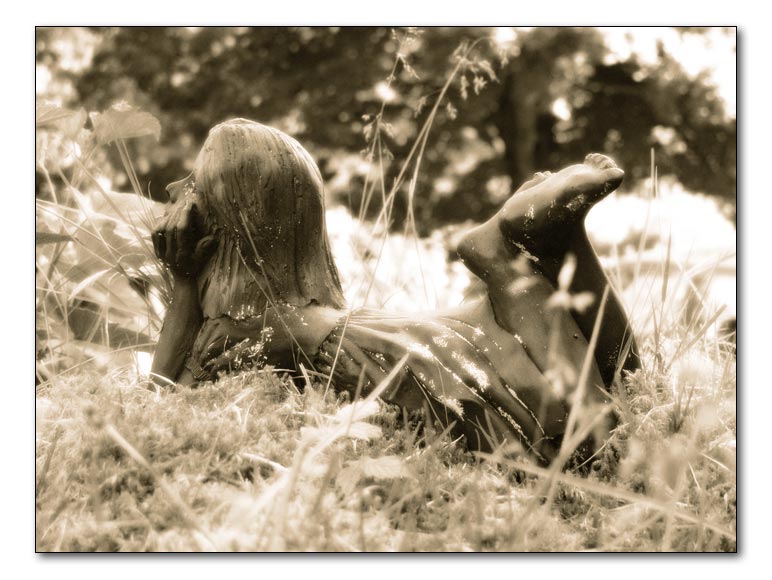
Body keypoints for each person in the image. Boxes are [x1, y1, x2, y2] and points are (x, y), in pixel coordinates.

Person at [151, 119, 639, 464]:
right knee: (619, 377)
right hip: (397, 339)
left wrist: (184, 280)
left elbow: (165, 394)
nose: (175, 187)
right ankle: (554, 245)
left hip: (394, 357)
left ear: (234, 215)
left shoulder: (239, 329)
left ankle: (502, 252)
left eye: (196, 182)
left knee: (579, 441)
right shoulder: (272, 323)